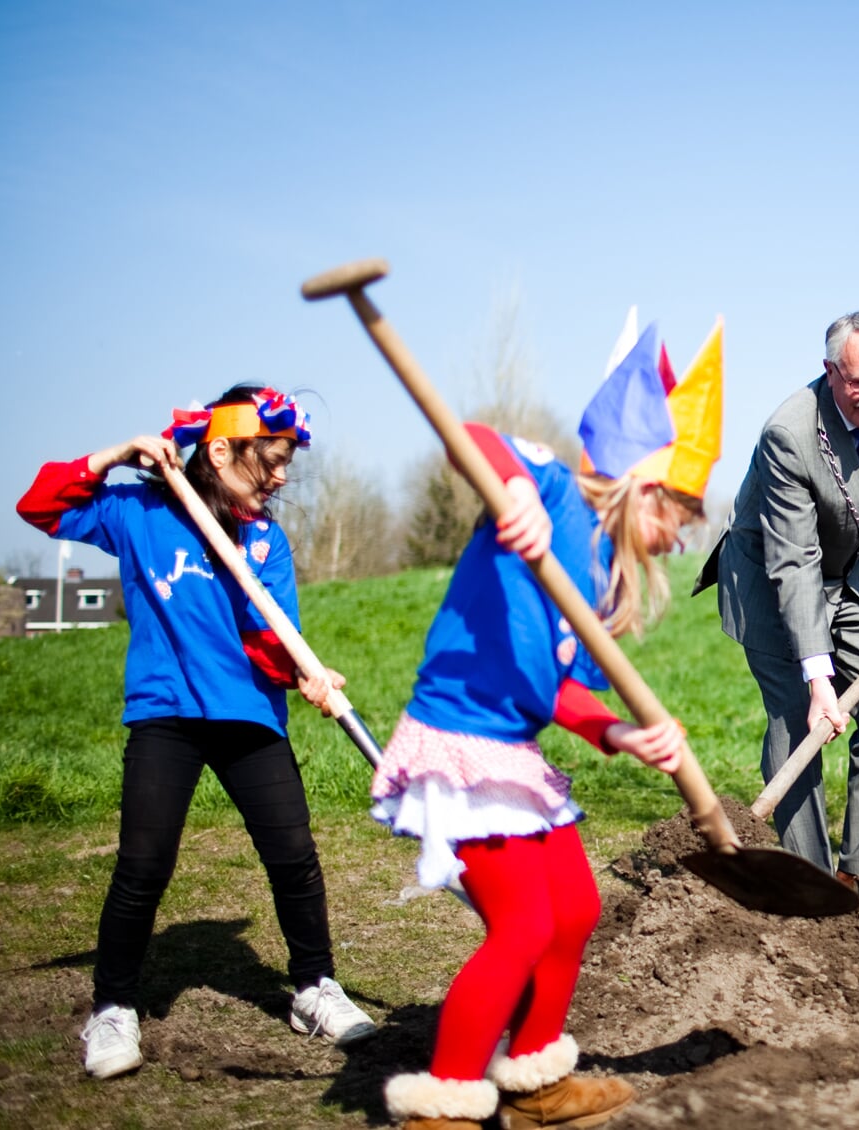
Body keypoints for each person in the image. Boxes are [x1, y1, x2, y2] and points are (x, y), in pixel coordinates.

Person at [372, 320, 718, 1130]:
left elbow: (566, 690)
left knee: (575, 911)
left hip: (512, 750)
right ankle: (444, 1109)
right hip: (457, 742)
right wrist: (517, 492)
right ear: (644, 486)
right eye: (681, 513)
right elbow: (472, 439)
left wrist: (619, 735)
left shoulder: (602, 579)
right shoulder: (554, 491)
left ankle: (535, 1079)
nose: (678, 536)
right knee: (523, 924)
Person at [15, 385, 375, 1081]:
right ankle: (114, 1006)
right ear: (218, 449)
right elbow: (39, 505)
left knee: (294, 854)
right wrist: (114, 455)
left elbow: (267, 637)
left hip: (246, 714)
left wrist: (306, 672)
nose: (280, 476)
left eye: (286, 462)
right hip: (166, 713)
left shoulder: (265, 537)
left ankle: (313, 988)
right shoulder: (140, 513)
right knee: (143, 865)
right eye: (270, 459)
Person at [693, 310, 859, 888]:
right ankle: (806, 878)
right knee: (798, 719)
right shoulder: (788, 433)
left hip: (849, 567)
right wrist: (820, 681)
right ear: (830, 371)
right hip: (770, 578)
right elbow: (795, 562)